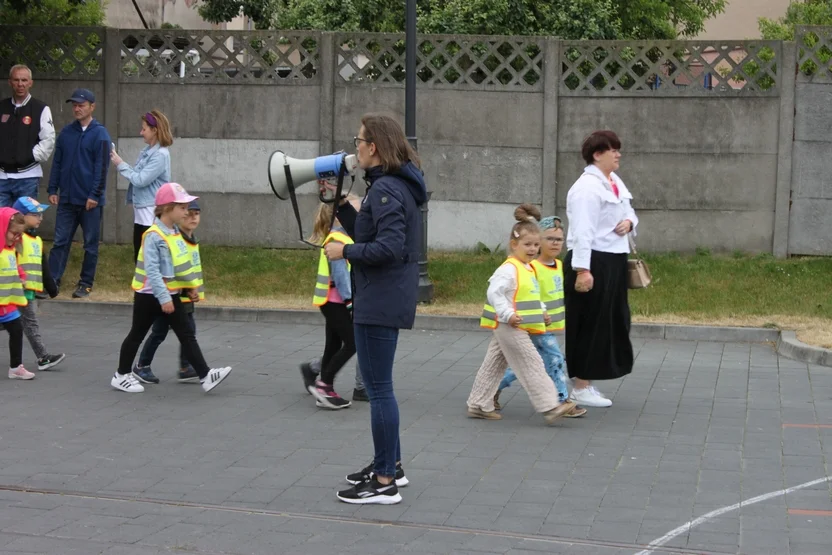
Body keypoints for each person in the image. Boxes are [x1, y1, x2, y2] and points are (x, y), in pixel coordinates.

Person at [325, 114, 426, 505]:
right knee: (382, 387)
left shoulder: (385, 189)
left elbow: (389, 248)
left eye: (359, 140)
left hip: (379, 300)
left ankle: (384, 482)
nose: (356, 147)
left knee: (379, 390)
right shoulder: (394, 185)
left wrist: (344, 250)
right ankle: (391, 465)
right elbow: (375, 234)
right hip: (384, 296)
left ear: (375, 147)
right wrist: (343, 210)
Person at [112, 182, 232, 394]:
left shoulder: (174, 233)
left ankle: (206, 375)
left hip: (171, 294)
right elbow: (153, 271)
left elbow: (179, 266)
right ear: (167, 208)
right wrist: (164, 298)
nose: (186, 212)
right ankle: (121, 375)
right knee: (137, 334)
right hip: (149, 296)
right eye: (182, 207)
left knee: (186, 334)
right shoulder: (154, 235)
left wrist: (188, 289)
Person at [467, 204, 576, 424]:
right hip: (510, 324)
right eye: (527, 244)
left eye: (536, 245)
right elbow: (494, 292)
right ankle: (550, 405)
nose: (533, 249)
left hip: (514, 323)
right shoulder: (509, 268)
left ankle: (478, 404)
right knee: (531, 362)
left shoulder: (527, 267)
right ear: (513, 244)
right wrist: (508, 315)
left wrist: (542, 313)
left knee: (494, 364)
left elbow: (532, 295)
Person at [564, 130, 638, 408]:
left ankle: (588, 380)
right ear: (598, 155)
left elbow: (629, 211)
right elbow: (582, 231)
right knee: (590, 322)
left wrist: (629, 222)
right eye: (613, 150)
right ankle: (580, 385)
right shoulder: (586, 188)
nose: (618, 154)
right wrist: (583, 269)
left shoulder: (613, 181)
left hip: (614, 259)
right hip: (593, 260)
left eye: (618, 149)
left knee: (611, 320)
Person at [494, 216, 586, 418]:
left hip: (550, 325)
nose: (555, 243)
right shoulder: (531, 267)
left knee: (525, 364)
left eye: (559, 239)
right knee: (554, 359)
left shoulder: (560, 265)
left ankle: (493, 387)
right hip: (533, 324)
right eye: (549, 239)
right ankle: (562, 400)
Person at [47, 88, 111, 299]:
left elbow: (102, 167)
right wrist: (52, 189)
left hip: (89, 202)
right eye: (74, 105)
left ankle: (85, 283)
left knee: (90, 244)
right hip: (67, 199)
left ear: (92, 107)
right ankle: (52, 281)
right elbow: (57, 163)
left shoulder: (100, 133)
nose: (77, 108)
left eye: (81, 105)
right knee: (60, 241)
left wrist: (94, 195)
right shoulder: (66, 133)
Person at [133, 199, 203, 384]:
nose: (192, 217)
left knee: (186, 331)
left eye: (196, 214)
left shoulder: (190, 239)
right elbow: (169, 270)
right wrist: (181, 291)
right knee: (161, 332)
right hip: (170, 295)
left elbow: (188, 269)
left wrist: (192, 289)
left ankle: (186, 366)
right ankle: (142, 366)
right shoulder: (171, 238)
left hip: (181, 294)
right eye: (188, 213)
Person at [302, 202, 356, 409]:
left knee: (333, 345)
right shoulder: (337, 240)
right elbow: (341, 277)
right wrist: (350, 302)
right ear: (338, 217)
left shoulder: (339, 238)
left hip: (330, 302)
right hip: (337, 303)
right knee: (352, 344)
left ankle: (324, 388)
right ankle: (325, 386)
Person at [110, 110, 173, 260]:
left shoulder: (160, 155)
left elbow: (140, 180)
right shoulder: (147, 151)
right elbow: (136, 175)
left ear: (155, 130)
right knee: (139, 255)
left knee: (147, 257)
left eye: (144, 129)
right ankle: (142, 284)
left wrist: (120, 163)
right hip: (141, 211)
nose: (141, 132)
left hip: (150, 210)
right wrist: (117, 159)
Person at [12, 197, 64, 371]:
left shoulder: (37, 240)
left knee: (18, 323)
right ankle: (43, 357)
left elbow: (43, 265)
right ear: (21, 216)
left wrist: (51, 287)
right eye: (36, 214)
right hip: (16, 289)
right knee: (29, 322)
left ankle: (43, 357)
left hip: (29, 290)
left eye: (41, 214)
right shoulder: (15, 239)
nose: (40, 218)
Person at [0, 65, 55, 207]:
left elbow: (48, 139)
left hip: (28, 178)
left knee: (26, 223)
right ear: (10, 82)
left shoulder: (41, 108)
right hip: (1, 178)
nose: (20, 84)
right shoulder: (2, 107)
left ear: (30, 82)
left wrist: (30, 156)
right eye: (16, 80)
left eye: (24, 80)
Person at [0, 208, 34, 380]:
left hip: (7, 303)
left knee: (17, 330)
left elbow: (14, 266)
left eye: (19, 235)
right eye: (14, 233)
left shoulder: (9, 249)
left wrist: (21, 276)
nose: (17, 238)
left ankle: (15, 367)